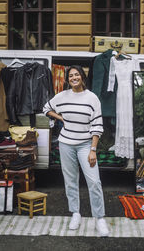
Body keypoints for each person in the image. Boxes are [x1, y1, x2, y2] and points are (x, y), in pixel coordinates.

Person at [43, 65, 110, 237]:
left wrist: (93, 149)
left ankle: (99, 218)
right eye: (71, 75)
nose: (74, 78)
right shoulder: (62, 96)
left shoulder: (92, 98)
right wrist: (61, 118)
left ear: (82, 77)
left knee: (94, 181)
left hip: (85, 145)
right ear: (67, 79)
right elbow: (46, 108)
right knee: (70, 181)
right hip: (65, 144)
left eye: (77, 74)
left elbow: (97, 125)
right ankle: (75, 213)